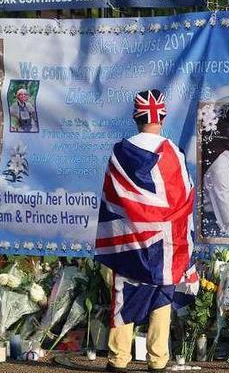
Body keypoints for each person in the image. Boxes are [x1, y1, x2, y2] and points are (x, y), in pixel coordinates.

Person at [95, 90, 196, 373]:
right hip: (164, 242)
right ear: (162, 116)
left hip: (131, 241)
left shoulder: (120, 152)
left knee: (124, 293)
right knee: (161, 296)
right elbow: (184, 198)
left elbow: (112, 198)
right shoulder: (173, 153)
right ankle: (158, 359)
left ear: (135, 117)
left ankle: (118, 359)